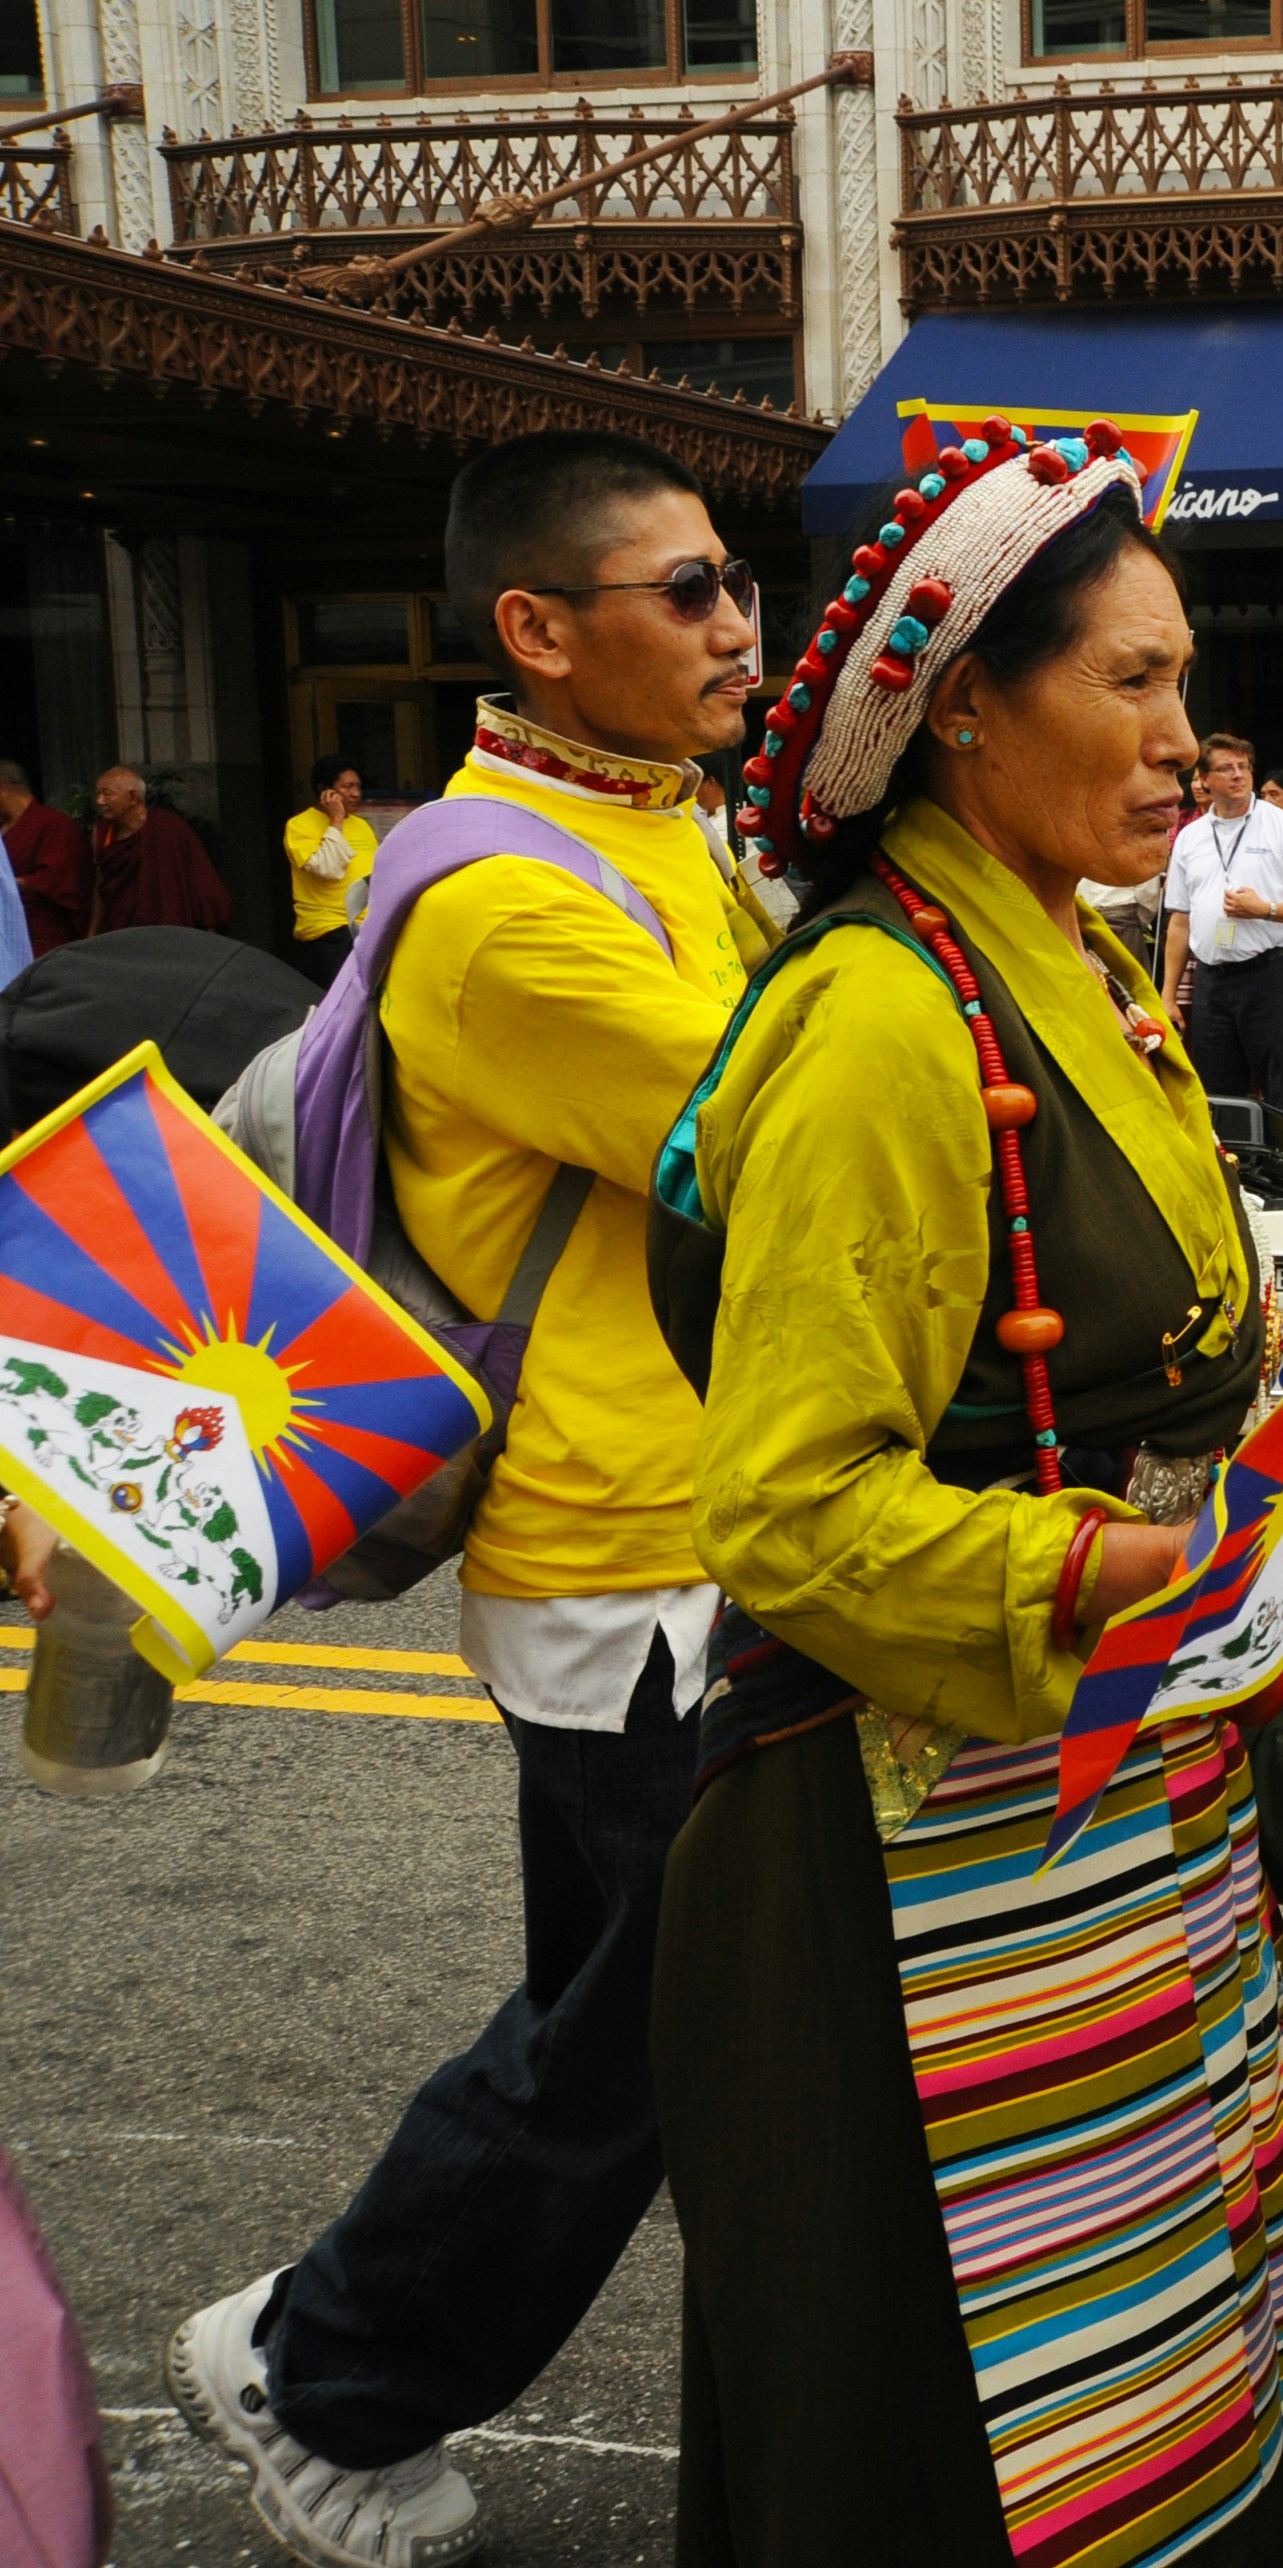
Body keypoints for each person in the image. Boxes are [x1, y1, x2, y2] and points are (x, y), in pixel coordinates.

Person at [657, 420, 1283, 2561]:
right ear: (962, 710)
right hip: (904, 1860)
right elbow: (793, 1511)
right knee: (972, 2445)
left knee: (1192, 2393)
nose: (1185, 738)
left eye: (1183, 683)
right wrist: (1165, 1566)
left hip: (1109, 1798)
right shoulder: (888, 1020)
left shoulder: (1073, 962)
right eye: (1133, 681)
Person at [163, 432, 779, 2568]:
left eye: (733, 584)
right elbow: (784, 1149)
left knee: (620, 2024)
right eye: (681, 593)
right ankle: (325, 2377)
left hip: (689, 1541)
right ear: (537, 628)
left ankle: (311, 2345)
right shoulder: (511, 898)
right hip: (638, 1569)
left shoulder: (656, 826)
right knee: (633, 2052)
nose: (735, 623)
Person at [1166, 729, 1283, 1195]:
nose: (1238, 775)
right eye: (1226, 767)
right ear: (1201, 780)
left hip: (1270, 973)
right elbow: (1179, 920)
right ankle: (1233, 1191)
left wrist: (1269, 910)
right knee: (1219, 1094)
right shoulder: (1191, 837)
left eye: (1244, 766)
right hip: (1213, 982)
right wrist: (1167, 995)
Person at [88, 762, 231, 932]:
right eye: (98, 794)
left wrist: (209, 925)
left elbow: (199, 877)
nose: (100, 801)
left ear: (133, 797)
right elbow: (100, 884)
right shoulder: (103, 832)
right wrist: (93, 931)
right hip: (120, 928)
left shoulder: (169, 827)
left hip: (169, 926)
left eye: (107, 794)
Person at [282, 756, 376, 989]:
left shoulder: (361, 825)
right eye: (347, 787)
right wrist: (336, 820)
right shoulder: (299, 825)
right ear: (325, 791)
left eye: (358, 786)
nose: (355, 794)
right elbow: (329, 868)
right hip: (330, 931)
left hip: (367, 929)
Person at [0, 761, 83, 952]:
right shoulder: (3, 828)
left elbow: (60, 880)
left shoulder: (55, 825)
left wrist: (9, 884)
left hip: (41, 938)